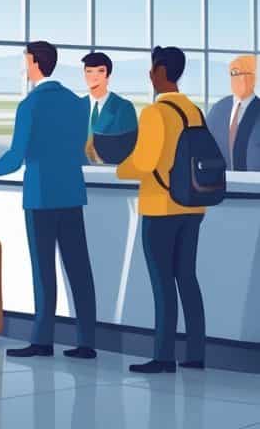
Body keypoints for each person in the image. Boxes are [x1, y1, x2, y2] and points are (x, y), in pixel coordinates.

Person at [0, 41, 97, 360]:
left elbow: (13, 159)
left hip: (40, 197)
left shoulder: (30, 105)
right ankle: (87, 342)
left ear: (36, 63)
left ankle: (42, 340)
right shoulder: (78, 104)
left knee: (44, 271)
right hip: (72, 194)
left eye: (26, 61)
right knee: (80, 269)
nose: (24, 68)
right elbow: (79, 149)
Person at [115, 46, 208, 374]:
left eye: (152, 69)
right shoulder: (194, 110)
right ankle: (196, 354)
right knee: (187, 278)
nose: (150, 75)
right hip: (193, 207)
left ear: (161, 72)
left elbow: (143, 162)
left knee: (162, 283)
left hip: (160, 208)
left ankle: (164, 356)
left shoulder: (155, 113)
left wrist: (119, 168)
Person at [82, 51, 138, 164]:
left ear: (108, 75)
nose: (94, 76)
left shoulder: (124, 108)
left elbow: (130, 149)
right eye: (89, 71)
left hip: (112, 175)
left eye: (100, 71)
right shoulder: (77, 106)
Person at [207, 54, 260, 172]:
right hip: (219, 185)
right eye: (235, 73)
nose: (241, 79)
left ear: (254, 78)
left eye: (246, 73)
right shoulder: (218, 110)